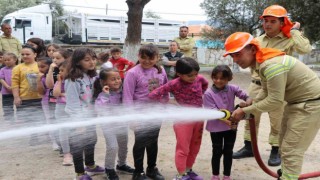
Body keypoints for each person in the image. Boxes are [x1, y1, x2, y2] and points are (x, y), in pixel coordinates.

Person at [224, 32, 320, 180]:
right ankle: (288, 174)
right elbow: (266, 89)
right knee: (283, 144)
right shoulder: (262, 62)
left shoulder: (271, 65)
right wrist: (252, 102)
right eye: (232, 56)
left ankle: (289, 177)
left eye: (238, 54)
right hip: (297, 103)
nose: (235, 59)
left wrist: (245, 110)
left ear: (253, 49)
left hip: (310, 105)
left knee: (291, 149)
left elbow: (275, 100)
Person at [232, 5, 313, 167]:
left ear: (282, 23)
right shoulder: (258, 40)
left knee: (277, 119)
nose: (267, 25)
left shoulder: (288, 38)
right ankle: (249, 147)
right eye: (265, 21)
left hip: (278, 86)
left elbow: (305, 49)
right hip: (256, 84)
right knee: (250, 118)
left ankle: (275, 150)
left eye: (272, 21)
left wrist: (294, 31)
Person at [148, 57, 208, 180]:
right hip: (183, 120)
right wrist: (169, 101)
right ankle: (181, 174)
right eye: (190, 75)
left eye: (196, 74)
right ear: (179, 74)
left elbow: (205, 85)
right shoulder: (174, 83)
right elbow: (153, 95)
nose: (194, 78)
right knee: (183, 148)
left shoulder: (200, 79)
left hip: (199, 118)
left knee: (195, 146)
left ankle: (188, 170)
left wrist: (200, 95)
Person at [122, 44, 168, 180]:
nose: (147, 61)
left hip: (156, 114)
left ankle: (151, 169)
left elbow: (165, 89)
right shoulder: (132, 73)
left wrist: (164, 106)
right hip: (139, 115)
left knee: (153, 141)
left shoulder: (161, 71)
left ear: (157, 57)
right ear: (138, 57)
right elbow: (127, 97)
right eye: (143, 58)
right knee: (141, 142)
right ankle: (138, 172)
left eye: (151, 58)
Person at [203, 65, 251, 180]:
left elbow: (246, 96)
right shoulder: (208, 94)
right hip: (216, 128)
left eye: (222, 78)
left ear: (229, 78)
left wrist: (248, 102)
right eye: (215, 78)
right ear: (212, 77)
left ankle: (226, 176)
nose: (218, 81)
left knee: (228, 151)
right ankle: (215, 175)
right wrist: (228, 122)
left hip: (231, 128)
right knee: (217, 151)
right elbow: (212, 111)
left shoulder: (233, 88)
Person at [64, 47, 104, 180]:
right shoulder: (73, 80)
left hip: (90, 116)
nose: (92, 62)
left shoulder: (92, 76)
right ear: (77, 61)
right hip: (77, 118)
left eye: (93, 59)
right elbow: (72, 103)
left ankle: (90, 166)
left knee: (91, 140)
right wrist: (78, 122)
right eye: (87, 60)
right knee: (77, 145)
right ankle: (80, 173)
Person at [93, 68, 134, 180]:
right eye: (113, 79)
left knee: (123, 146)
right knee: (112, 147)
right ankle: (109, 169)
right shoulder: (102, 95)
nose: (117, 81)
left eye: (118, 78)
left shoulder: (123, 91)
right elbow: (99, 109)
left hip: (122, 124)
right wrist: (106, 95)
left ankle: (121, 164)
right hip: (108, 126)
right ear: (105, 82)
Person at [12, 45, 44, 145]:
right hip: (25, 97)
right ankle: (33, 136)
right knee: (29, 118)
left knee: (40, 117)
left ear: (35, 54)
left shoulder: (40, 66)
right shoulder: (18, 68)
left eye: (27, 54)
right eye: (22, 54)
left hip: (40, 97)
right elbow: (15, 84)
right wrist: (16, 97)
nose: (25, 56)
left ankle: (40, 135)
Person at [36, 56, 61, 151]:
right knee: (50, 121)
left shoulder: (57, 74)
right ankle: (54, 142)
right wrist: (38, 80)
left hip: (59, 101)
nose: (40, 69)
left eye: (43, 66)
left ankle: (62, 141)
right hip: (47, 102)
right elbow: (41, 92)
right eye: (38, 66)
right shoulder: (42, 77)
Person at [53, 61, 73, 166]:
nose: (59, 72)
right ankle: (66, 153)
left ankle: (75, 152)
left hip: (74, 109)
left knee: (75, 131)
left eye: (62, 70)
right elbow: (56, 94)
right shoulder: (60, 81)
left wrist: (64, 94)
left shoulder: (75, 81)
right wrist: (59, 82)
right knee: (63, 131)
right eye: (59, 70)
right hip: (61, 108)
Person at [0, 53, 18, 121]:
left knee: (19, 106)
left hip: (18, 92)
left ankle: (20, 120)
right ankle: (9, 121)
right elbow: (1, 79)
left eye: (8, 60)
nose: (6, 61)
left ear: (15, 59)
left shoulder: (19, 68)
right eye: (5, 60)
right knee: (7, 108)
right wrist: (7, 86)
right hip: (6, 92)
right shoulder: (2, 69)